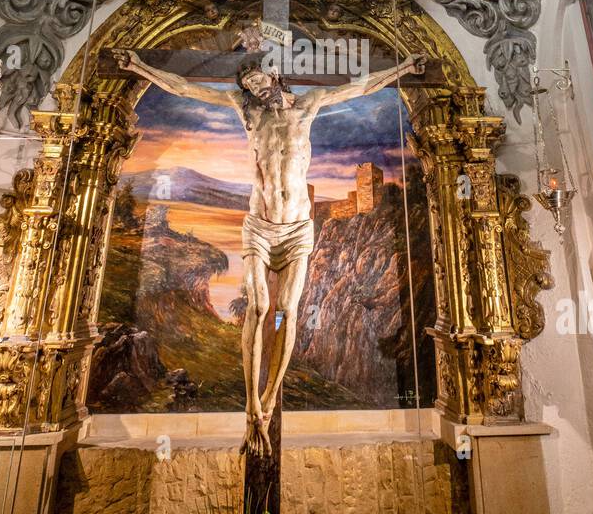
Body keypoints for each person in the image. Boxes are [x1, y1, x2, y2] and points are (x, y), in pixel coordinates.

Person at [112, 46, 425, 455]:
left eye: (259, 81)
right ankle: (251, 405)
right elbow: (186, 88)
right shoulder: (249, 115)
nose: (255, 90)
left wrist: (404, 67)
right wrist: (139, 66)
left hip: (297, 229)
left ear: (274, 76)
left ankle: (272, 398)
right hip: (259, 227)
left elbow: (359, 86)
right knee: (259, 309)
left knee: (289, 311)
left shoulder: (308, 106)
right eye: (248, 86)